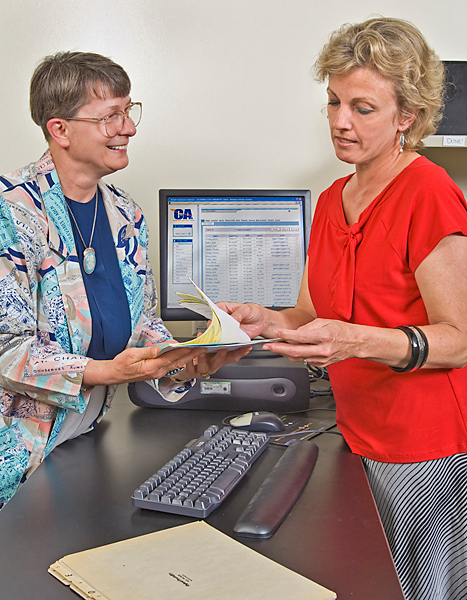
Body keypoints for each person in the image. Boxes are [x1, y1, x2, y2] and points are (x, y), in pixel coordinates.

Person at [219, 17, 467, 600]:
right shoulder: (334, 198)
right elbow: (309, 314)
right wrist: (265, 320)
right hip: (355, 429)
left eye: (362, 107)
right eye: (332, 102)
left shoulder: (429, 192)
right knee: (371, 580)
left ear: (407, 115)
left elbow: (458, 337)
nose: (338, 121)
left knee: (420, 589)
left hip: (421, 445)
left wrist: (358, 342)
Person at [0, 51, 248, 509]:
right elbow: (5, 350)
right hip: (15, 457)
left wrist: (185, 360)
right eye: (111, 116)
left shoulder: (125, 215)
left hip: (81, 438)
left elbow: (143, 326)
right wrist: (103, 372)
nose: (129, 128)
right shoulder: (10, 212)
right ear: (60, 129)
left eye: (129, 111)